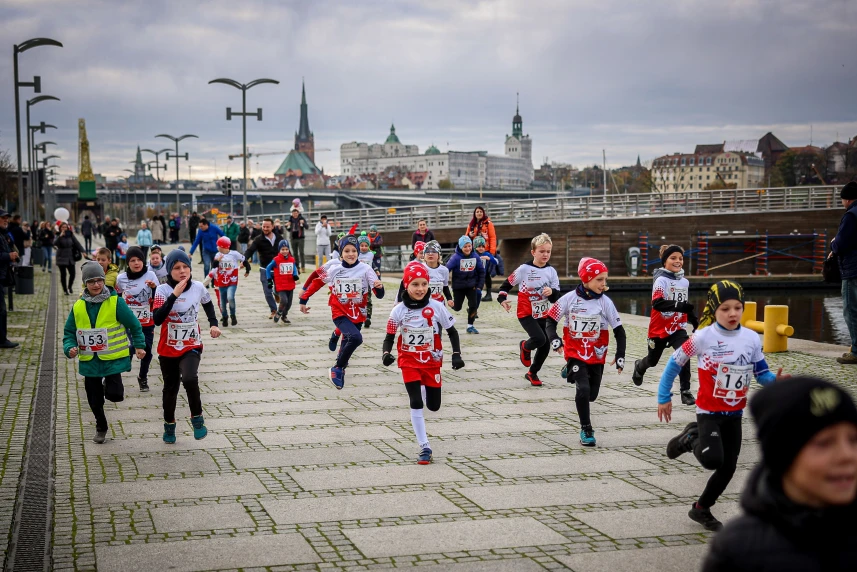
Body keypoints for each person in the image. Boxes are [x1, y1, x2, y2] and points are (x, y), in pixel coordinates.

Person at [658, 280, 788, 531]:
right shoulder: (702, 337)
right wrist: (664, 397)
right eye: (725, 308)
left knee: (728, 468)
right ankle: (690, 438)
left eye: (737, 308)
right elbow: (674, 364)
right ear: (714, 309)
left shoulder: (751, 338)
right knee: (712, 460)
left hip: (734, 414)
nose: (732, 313)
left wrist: (776, 382)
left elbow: (762, 374)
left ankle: (701, 509)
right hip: (708, 412)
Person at [702, 376, 857, 572]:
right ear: (782, 455)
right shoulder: (739, 549)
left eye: (854, 440)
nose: (848, 455)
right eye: (824, 443)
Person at [382, 261, 465, 464]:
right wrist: (386, 353)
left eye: (424, 284)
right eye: (415, 284)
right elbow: (389, 336)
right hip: (408, 360)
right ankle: (424, 446)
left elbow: (452, 331)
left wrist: (456, 354)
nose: (420, 289)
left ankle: (425, 388)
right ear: (406, 285)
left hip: (431, 361)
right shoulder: (398, 311)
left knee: (434, 406)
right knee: (416, 402)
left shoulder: (437, 307)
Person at [62, 261, 145, 443]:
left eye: (99, 280)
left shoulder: (116, 302)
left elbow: (134, 325)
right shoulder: (78, 306)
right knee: (94, 398)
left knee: (115, 395)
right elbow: (69, 333)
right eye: (91, 281)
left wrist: (139, 346)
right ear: (85, 283)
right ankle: (101, 426)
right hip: (90, 361)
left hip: (112, 359)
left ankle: (109, 384)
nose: (96, 285)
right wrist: (69, 348)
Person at [546, 257, 626, 447]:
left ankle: (570, 371)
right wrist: (554, 339)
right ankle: (586, 429)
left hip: (597, 354)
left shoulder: (605, 302)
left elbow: (619, 331)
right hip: (574, 352)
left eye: (605, 279)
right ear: (586, 279)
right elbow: (550, 320)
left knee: (592, 395)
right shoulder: (569, 299)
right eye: (599, 279)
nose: (603, 284)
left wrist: (620, 354)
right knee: (583, 389)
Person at [153, 249, 221, 443]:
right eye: (176, 268)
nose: (182, 271)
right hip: (168, 347)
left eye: (185, 267)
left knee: (190, 378)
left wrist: (213, 323)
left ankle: (197, 418)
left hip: (191, 344)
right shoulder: (162, 290)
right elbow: (157, 319)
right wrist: (174, 295)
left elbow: (208, 304)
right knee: (170, 389)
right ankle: (169, 425)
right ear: (169, 271)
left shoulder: (199, 287)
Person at [299, 234, 385, 389]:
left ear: (358, 252)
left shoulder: (366, 269)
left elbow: (379, 294)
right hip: (339, 311)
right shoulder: (334, 269)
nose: (350, 254)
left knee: (348, 339)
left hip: (359, 312)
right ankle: (337, 368)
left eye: (354, 250)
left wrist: (380, 288)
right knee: (356, 338)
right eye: (346, 251)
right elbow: (317, 282)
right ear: (341, 253)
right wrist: (304, 299)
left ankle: (341, 366)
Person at [632, 244, 699, 406]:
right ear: (664, 261)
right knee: (653, 361)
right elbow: (657, 303)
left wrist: (694, 320)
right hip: (659, 329)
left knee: (685, 352)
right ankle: (639, 366)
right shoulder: (661, 280)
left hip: (677, 328)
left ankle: (685, 390)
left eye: (681, 258)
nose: (678, 261)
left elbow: (683, 305)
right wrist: (680, 306)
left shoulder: (684, 282)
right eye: (673, 258)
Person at [499, 233, 562, 387]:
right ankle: (524, 346)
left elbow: (556, 298)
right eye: (542, 251)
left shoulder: (551, 272)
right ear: (533, 252)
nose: (545, 254)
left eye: (548, 251)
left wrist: (552, 292)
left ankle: (532, 373)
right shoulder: (524, 269)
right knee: (540, 339)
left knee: (546, 345)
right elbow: (505, 286)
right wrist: (502, 299)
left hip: (543, 314)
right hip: (525, 313)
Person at [115, 246, 158, 392]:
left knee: (148, 351)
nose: (136, 263)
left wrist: (153, 288)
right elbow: (117, 299)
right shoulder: (121, 278)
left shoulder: (151, 275)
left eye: (139, 259)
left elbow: (159, 297)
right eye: (132, 260)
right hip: (130, 322)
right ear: (128, 263)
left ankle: (142, 377)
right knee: (138, 345)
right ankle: (114, 374)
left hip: (148, 320)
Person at [832, 181, 857, 364]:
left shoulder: (851, 215)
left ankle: (855, 351)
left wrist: (833, 243)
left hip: (853, 269)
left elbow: (840, 244)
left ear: (847, 199)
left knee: (851, 310)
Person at [242, 218, 283, 318]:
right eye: (264, 226)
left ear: (272, 227)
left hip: (278, 269)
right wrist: (244, 259)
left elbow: (287, 252)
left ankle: (276, 293)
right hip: (265, 269)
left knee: (278, 289)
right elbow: (250, 250)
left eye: (267, 227)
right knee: (267, 290)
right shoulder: (258, 239)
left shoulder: (279, 238)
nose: (265, 228)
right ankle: (273, 310)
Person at [446, 236, 485, 334]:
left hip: (471, 286)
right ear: (461, 247)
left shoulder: (475, 256)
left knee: (473, 305)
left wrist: (479, 286)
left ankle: (470, 326)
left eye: (469, 246)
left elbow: (481, 271)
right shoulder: (455, 257)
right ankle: (453, 305)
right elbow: (446, 270)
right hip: (458, 287)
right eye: (465, 247)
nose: (468, 249)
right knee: (458, 308)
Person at [211, 236, 245, 327]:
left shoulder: (234, 254)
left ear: (223, 246)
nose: (217, 247)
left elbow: (244, 259)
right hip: (222, 281)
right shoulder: (217, 255)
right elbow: (213, 267)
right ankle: (225, 316)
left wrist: (245, 266)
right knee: (222, 301)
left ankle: (233, 315)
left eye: (218, 246)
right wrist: (217, 261)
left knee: (230, 297)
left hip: (232, 280)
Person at [0, 209, 20, 349]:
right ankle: (2, 340)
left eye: (7, 218)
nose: (6, 220)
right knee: (1, 310)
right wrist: (9, 256)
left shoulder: (3, 234)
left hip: (2, 276)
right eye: (3, 218)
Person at [266, 240, 299, 324]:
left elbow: (294, 267)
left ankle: (284, 316)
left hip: (290, 284)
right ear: (279, 250)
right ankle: (279, 312)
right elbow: (268, 268)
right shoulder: (276, 260)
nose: (285, 251)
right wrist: (269, 280)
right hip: (280, 284)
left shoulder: (291, 259)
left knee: (289, 303)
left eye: (286, 249)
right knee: (284, 301)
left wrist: (295, 275)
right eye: (282, 249)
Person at [54, 222, 87, 295]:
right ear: (60, 228)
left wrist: (83, 251)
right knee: (63, 274)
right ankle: (65, 290)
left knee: (72, 274)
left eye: (65, 227)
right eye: (62, 227)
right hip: (61, 256)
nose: (64, 229)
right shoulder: (57, 234)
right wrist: (60, 236)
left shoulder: (70, 234)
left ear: (68, 228)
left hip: (70, 256)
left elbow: (77, 243)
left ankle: (69, 286)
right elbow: (54, 243)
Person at [473, 236, 497, 302]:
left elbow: (496, 261)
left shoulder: (486, 254)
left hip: (483, 274)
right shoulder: (473, 254)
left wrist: (489, 258)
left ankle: (488, 294)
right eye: (479, 246)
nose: (481, 248)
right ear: (475, 247)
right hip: (473, 275)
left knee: (479, 290)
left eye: (483, 247)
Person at [286, 207, 307, 272]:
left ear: (298, 213)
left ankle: (303, 267)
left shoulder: (301, 219)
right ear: (292, 214)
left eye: (296, 213)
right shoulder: (290, 220)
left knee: (301, 252)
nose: (295, 214)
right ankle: (297, 267)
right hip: (293, 238)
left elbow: (307, 227)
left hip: (300, 238)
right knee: (295, 253)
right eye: (293, 213)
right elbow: (289, 230)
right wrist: (287, 226)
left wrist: (303, 223)